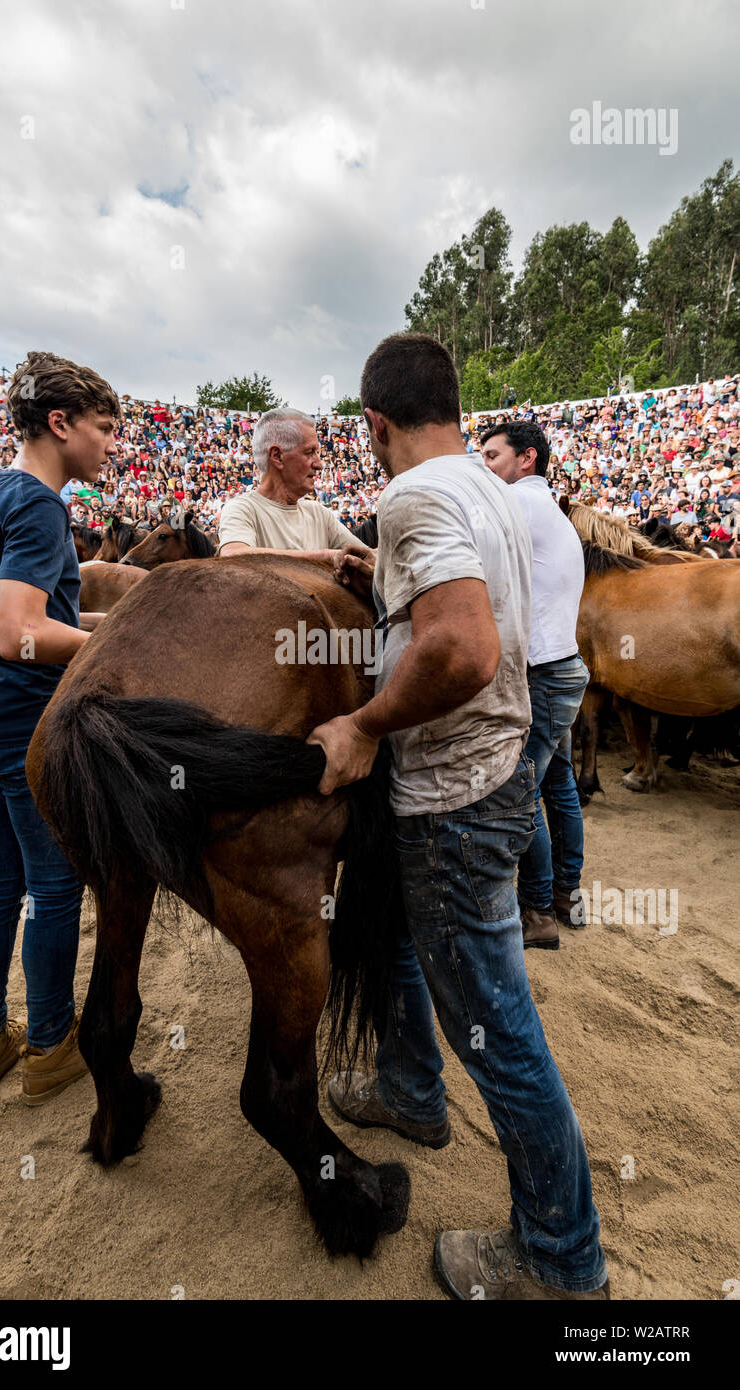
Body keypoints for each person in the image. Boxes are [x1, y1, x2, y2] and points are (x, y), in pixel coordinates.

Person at [309, 332, 608, 1301]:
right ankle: (408, 1090)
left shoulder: (414, 493)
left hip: (448, 799)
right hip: (493, 775)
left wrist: (362, 722)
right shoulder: (485, 484)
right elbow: (460, 608)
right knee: (402, 938)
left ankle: (560, 1262)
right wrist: (387, 585)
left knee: (496, 1026)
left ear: (374, 424)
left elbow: (466, 647)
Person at [0, 350, 116, 1110]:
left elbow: (29, 620)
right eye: (104, 429)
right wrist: (112, 645)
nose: (112, 444)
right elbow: (20, 635)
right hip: (16, 730)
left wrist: (119, 620)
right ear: (59, 423)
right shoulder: (41, 505)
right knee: (50, 886)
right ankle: (48, 1045)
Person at [481, 420, 590, 947]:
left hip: (542, 674)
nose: (486, 467)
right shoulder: (549, 509)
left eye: (492, 457)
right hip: (562, 666)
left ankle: (539, 911)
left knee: (521, 790)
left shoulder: (517, 504)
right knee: (557, 786)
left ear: (526, 459)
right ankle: (567, 895)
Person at [218, 407, 373, 561]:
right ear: (277, 456)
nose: (319, 464)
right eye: (309, 452)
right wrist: (325, 557)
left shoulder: (318, 513)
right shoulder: (243, 510)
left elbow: (370, 559)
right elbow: (233, 556)